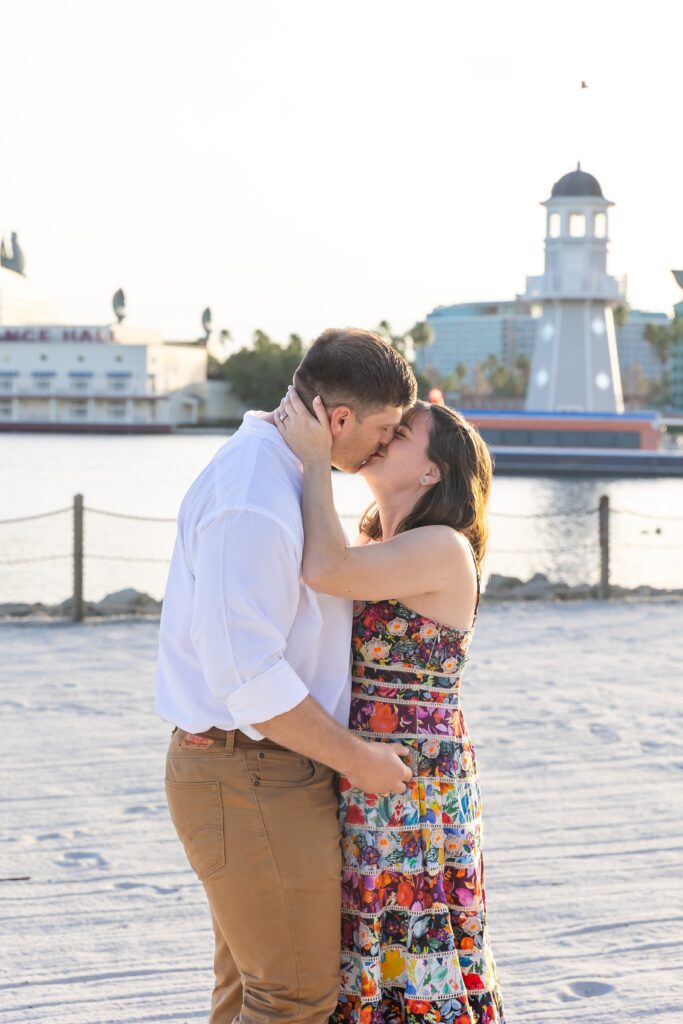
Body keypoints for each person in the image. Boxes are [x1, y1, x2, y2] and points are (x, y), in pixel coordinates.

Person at [156, 327, 416, 1024]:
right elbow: (249, 681)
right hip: (249, 772)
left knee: (251, 991)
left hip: (259, 770)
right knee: (293, 996)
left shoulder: (279, 476)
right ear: (338, 419)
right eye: (385, 429)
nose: (387, 446)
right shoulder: (254, 496)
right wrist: (359, 760)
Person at [274, 387, 505, 1024]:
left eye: (403, 433)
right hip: (367, 765)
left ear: (434, 471)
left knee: (410, 943)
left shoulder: (443, 546)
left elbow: (323, 569)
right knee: (366, 941)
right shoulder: (377, 540)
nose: (386, 435)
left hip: (413, 781)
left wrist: (315, 457)